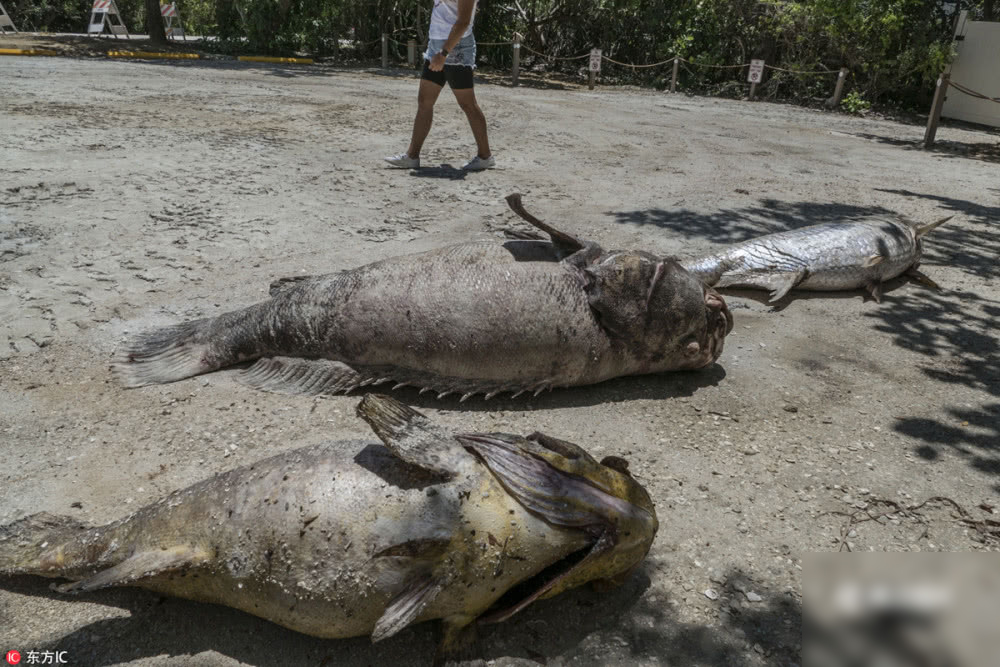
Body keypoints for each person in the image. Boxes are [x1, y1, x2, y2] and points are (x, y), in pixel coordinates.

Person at [384, 0, 495, 171]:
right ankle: (412, 157)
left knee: (467, 104)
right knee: (424, 102)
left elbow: (464, 22)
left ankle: (485, 156)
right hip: (436, 44)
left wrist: (444, 53)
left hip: (455, 47)